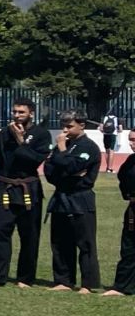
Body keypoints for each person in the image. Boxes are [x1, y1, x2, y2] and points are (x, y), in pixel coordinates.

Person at [0, 100, 51, 289]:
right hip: (6, 187)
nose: (17, 115)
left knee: (29, 235)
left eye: (21, 112)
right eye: (14, 111)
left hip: (28, 188)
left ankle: (26, 278)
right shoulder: (5, 133)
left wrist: (21, 141)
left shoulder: (41, 134)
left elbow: (35, 161)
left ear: (31, 113)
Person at [44, 111, 101, 293]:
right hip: (61, 197)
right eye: (64, 126)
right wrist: (64, 168)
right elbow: (50, 170)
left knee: (85, 243)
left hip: (80, 198)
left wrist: (62, 152)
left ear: (81, 125)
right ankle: (63, 280)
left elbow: (72, 166)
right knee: (60, 242)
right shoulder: (65, 144)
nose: (65, 130)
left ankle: (88, 283)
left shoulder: (88, 147)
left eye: (69, 126)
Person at [105, 151, 135, 297]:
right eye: (130, 140)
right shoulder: (131, 160)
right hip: (133, 208)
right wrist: (128, 194)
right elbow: (122, 177)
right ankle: (122, 286)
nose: (132, 143)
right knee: (129, 248)